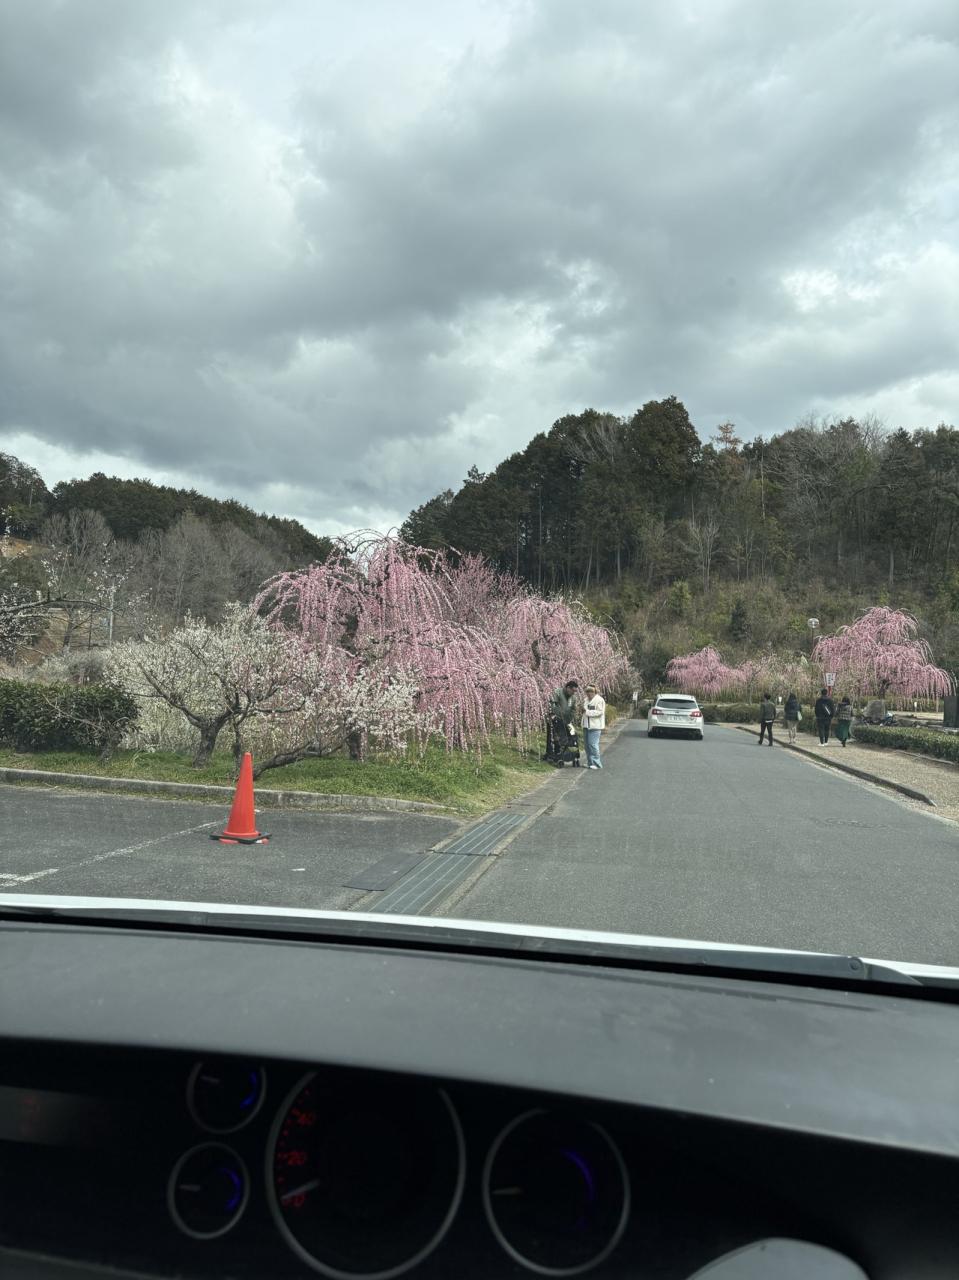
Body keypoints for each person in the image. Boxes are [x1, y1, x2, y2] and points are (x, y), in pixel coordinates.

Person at [544, 679, 579, 765]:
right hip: (555, 718)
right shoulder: (558, 692)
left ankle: (570, 754)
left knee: (572, 735)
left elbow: (573, 709)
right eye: (572, 690)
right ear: (568, 688)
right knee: (554, 737)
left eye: (575, 691)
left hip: (567, 720)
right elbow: (552, 705)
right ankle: (551, 754)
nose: (573, 693)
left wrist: (570, 717)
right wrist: (556, 715)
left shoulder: (573, 698)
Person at [581, 684, 606, 769]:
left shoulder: (599, 700)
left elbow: (600, 712)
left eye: (591, 691)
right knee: (587, 745)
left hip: (595, 726)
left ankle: (596, 763)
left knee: (593, 745)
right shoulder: (586, 700)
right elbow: (584, 711)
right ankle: (590, 762)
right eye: (587, 691)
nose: (589, 693)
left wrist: (587, 712)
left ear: (595, 692)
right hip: (586, 725)